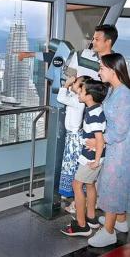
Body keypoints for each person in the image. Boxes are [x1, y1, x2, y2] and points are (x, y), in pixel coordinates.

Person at [86, 53, 130, 247]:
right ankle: (120, 221)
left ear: (113, 70)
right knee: (115, 185)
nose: (99, 71)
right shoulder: (114, 90)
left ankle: (109, 232)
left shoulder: (125, 95)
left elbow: (120, 131)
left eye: (101, 68)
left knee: (112, 186)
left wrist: (99, 143)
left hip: (120, 149)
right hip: (114, 147)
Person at [61, 79, 108, 236]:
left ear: (89, 95)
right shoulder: (95, 109)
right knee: (90, 184)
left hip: (90, 158)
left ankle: (82, 225)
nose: (78, 93)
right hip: (91, 156)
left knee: (77, 185)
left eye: (81, 91)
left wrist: (95, 160)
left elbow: (99, 140)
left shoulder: (93, 114)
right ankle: (91, 217)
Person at [18, 24, 118, 80]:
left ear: (108, 42)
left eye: (97, 39)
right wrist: (30, 54)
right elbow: (60, 58)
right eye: (93, 39)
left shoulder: (116, 64)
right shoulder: (85, 54)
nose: (93, 42)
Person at [57, 75, 90, 213]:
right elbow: (68, 96)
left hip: (74, 139)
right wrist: (70, 85)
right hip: (73, 137)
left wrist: (66, 85)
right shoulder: (77, 99)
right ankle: (72, 195)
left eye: (76, 82)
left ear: (82, 88)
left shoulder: (78, 101)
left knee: (71, 167)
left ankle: (77, 201)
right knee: (71, 166)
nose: (73, 83)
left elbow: (61, 98)